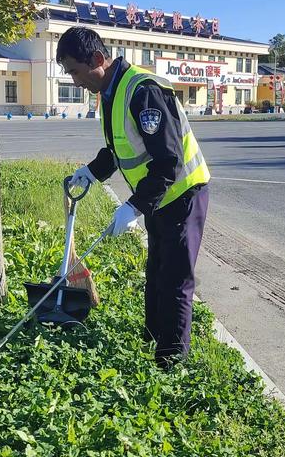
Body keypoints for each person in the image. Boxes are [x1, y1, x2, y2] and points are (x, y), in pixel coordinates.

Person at [56, 27, 211, 369]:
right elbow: (119, 148)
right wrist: (92, 172)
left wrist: (134, 207)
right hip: (158, 197)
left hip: (183, 194)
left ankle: (171, 363)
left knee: (174, 280)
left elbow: (168, 160)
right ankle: (152, 341)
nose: (76, 81)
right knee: (155, 272)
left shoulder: (143, 91)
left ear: (97, 59)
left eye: (76, 71)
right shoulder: (110, 92)